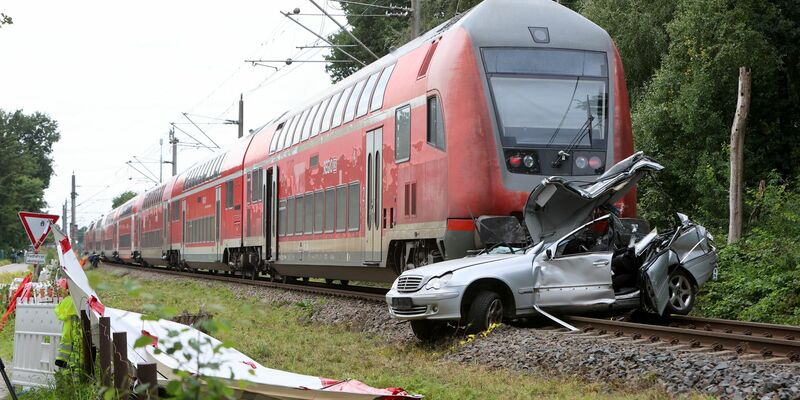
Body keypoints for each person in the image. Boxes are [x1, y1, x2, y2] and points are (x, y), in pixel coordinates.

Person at [54, 278, 82, 369]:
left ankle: (61, 360)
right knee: (77, 348)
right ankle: (74, 367)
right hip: (77, 330)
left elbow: (58, 310)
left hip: (67, 331)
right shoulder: (77, 301)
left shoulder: (66, 301)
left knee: (66, 343)